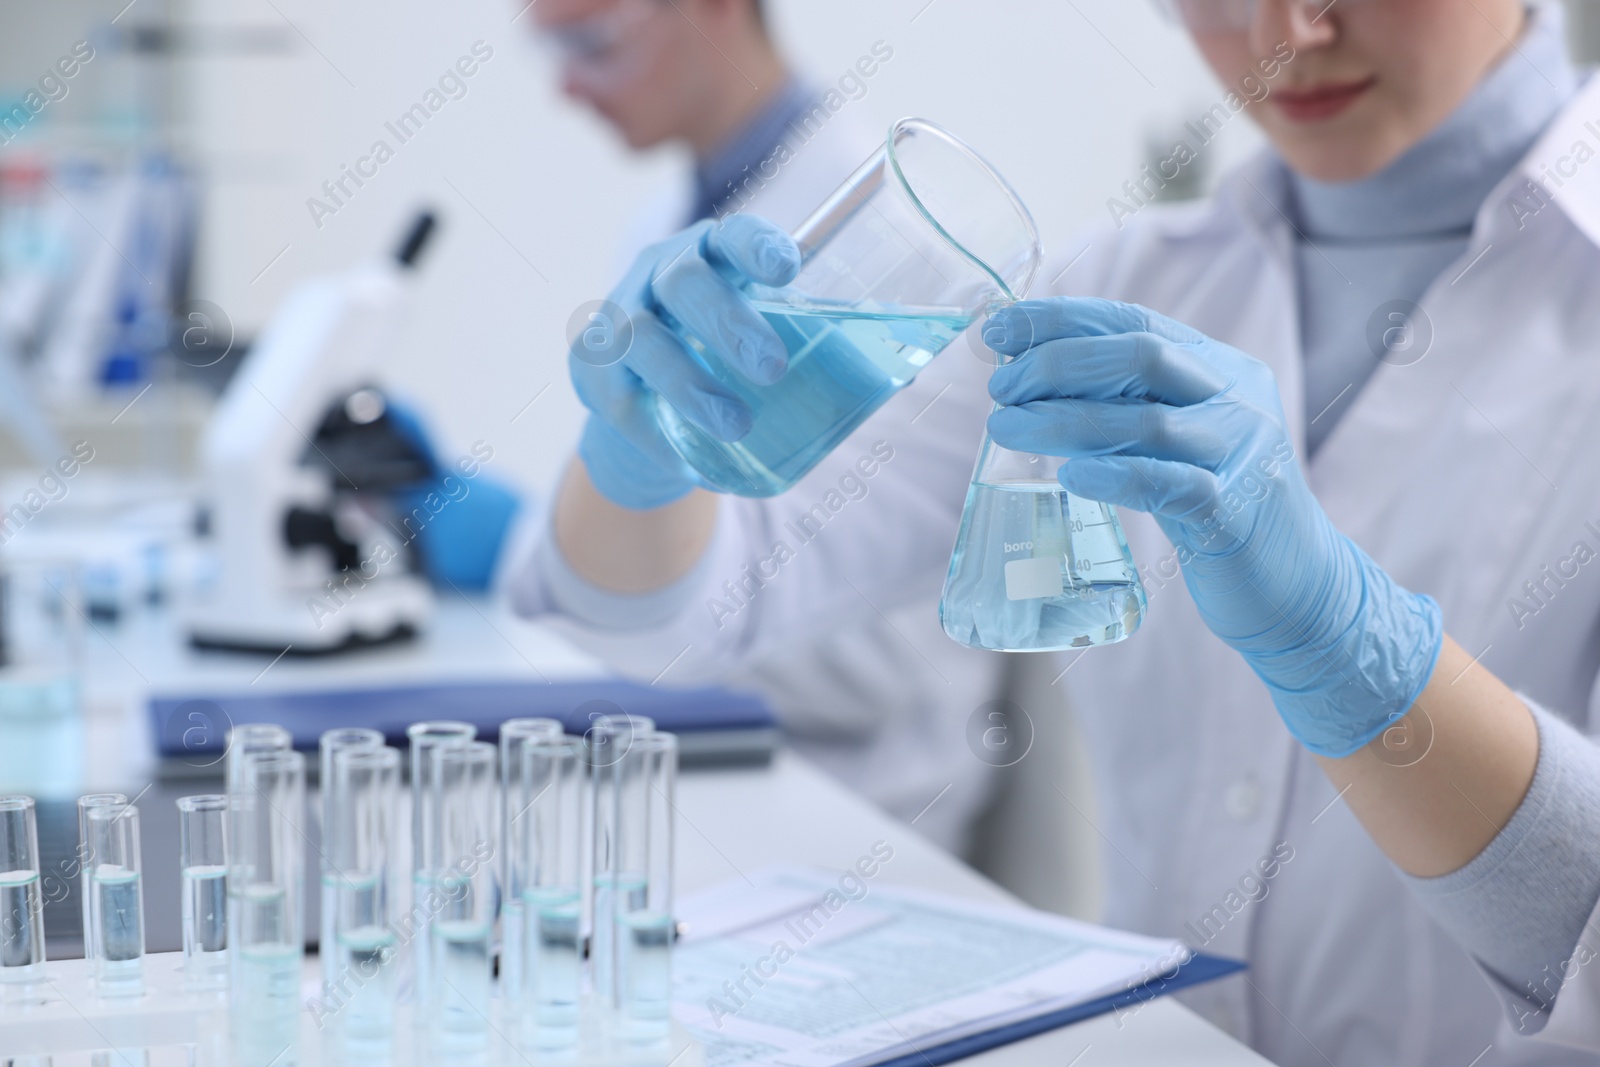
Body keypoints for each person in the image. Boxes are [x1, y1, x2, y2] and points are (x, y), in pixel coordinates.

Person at [519, 0, 1600, 1061]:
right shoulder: (1129, 282)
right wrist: (643, 454)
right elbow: (711, 594)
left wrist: (1355, 653)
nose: (1285, 38)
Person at [514, 0, 1007, 853]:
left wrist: (574, 566)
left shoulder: (907, 250)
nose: (564, 86)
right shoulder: (675, 222)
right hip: (690, 775)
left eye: (591, 41)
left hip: (853, 818)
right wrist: (569, 534)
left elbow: (876, 662)